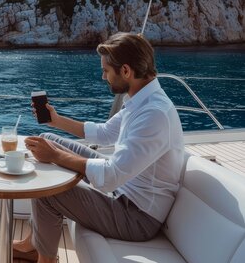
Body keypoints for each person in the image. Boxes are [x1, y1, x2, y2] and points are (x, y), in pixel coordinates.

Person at [13, 32, 184, 263]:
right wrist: (56, 120)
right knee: (47, 137)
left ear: (125, 71)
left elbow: (111, 176)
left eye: (106, 71)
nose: (103, 77)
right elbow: (104, 133)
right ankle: (33, 242)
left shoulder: (154, 114)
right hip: (122, 191)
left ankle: (46, 259)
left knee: (48, 190)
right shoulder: (141, 99)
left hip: (136, 216)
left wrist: (55, 156)